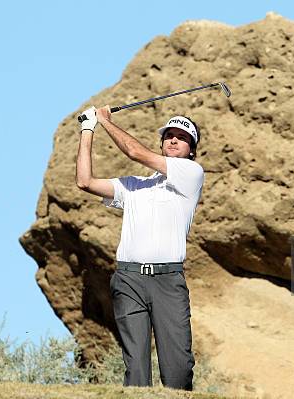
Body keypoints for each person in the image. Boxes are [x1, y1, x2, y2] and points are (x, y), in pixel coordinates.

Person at [75, 105, 204, 390]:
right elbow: (84, 182)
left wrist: (105, 121)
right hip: (129, 279)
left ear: (191, 150)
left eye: (181, 137)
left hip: (167, 282)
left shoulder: (191, 174)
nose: (173, 140)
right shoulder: (134, 185)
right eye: (169, 135)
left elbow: (135, 152)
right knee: (136, 368)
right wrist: (87, 130)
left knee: (178, 368)